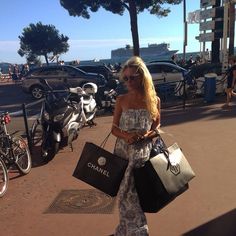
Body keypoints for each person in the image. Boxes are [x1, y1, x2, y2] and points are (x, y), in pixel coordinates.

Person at [111, 56, 161, 235]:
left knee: (133, 195)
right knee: (126, 194)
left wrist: (147, 134)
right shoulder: (121, 100)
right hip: (123, 154)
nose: (129, 81)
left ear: (143, 78)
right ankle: (137, 231)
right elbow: (114, 129)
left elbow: (157, 128)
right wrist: (127, 136)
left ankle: (126, 230)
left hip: (142, 155)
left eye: (133, 77)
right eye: (126, 78)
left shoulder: (154, 100)